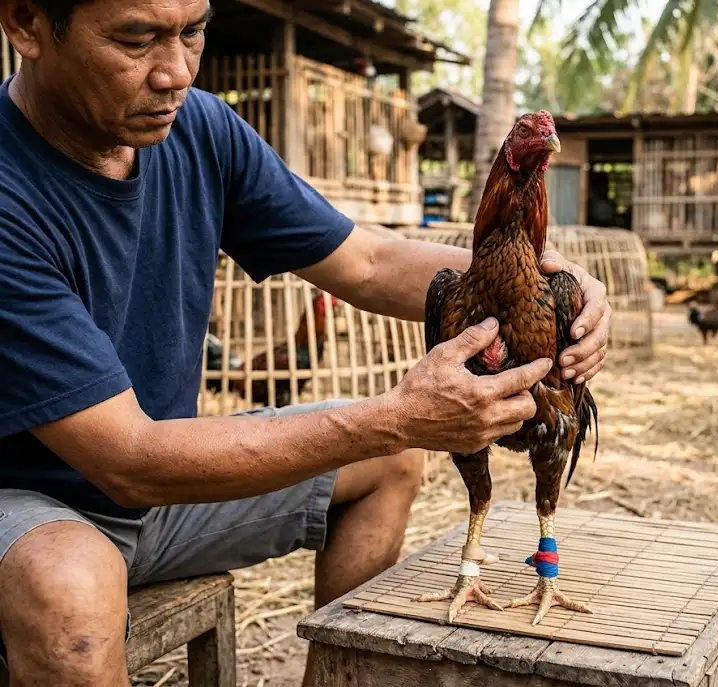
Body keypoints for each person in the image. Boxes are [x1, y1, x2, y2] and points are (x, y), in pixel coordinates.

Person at [0, 0, 613, 683]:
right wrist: (390, 415)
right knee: (67, 586)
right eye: (137, 39)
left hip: (154, 496)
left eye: (194, 32)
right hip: (37, 504)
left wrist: (555, 282)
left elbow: (368, 263)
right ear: (26, 23)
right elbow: (127, 459)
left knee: (389, 461)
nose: (175, 71)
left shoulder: (200, 130)